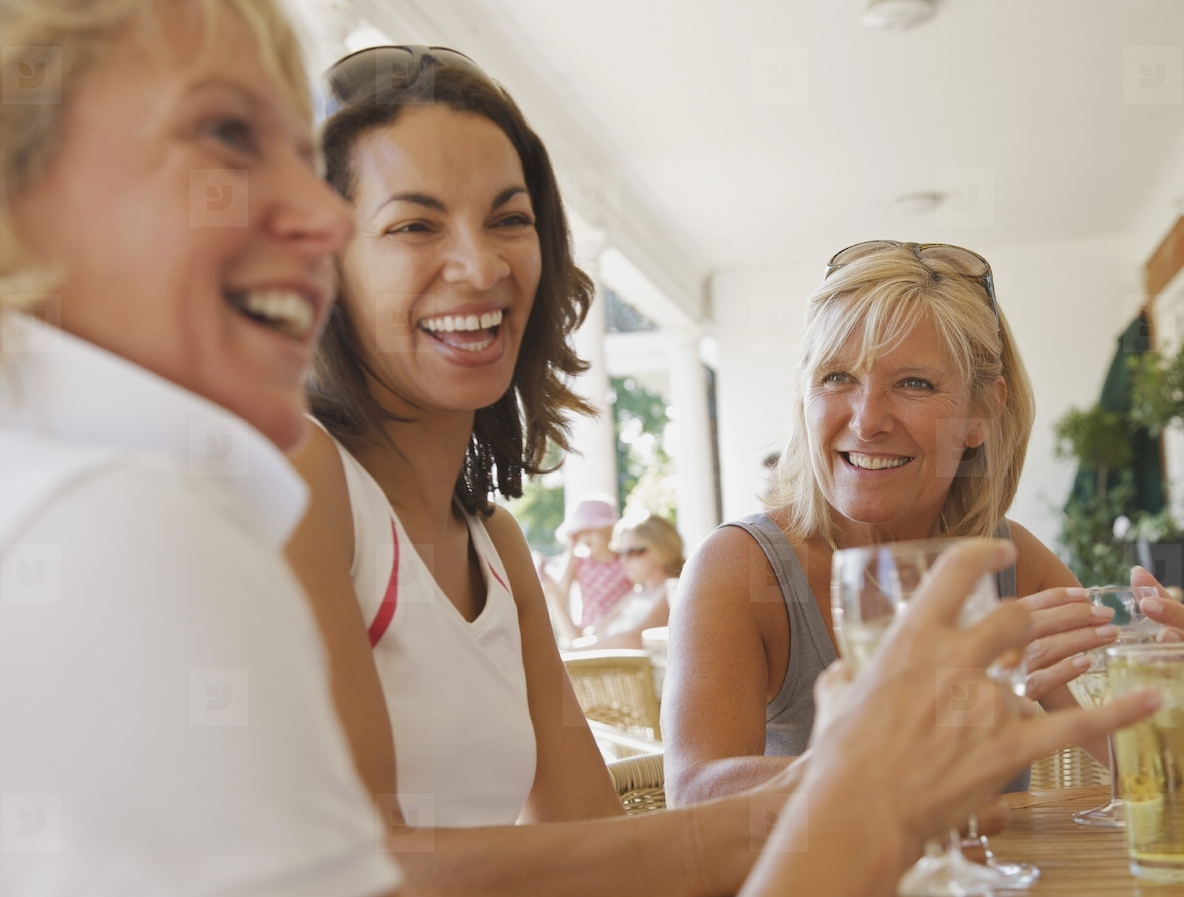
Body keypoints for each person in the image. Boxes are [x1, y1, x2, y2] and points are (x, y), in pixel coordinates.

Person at [0, 0, 403, 893]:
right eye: (225, 133)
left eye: (308, 157)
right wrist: (794, 826)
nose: (328, 218)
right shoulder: (121, 521)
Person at [663, 241, 1122, 805]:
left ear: (982, 412)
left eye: (915, 384)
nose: (868, 419)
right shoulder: (739, 569)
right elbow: (694, 799)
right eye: (836, 377)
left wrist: (1170, 685)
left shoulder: (1011, 563)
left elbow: (1143, 761)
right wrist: (876, 758)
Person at [568, 512, 683, 651]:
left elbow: (634, 640)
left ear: (662, 548)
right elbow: (592, 636)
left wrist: (568, 652)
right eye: (621, 553)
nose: (623, 560)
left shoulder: (671, 590)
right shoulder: (637, 593)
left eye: (632, 552)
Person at [540, 494, 635, 643]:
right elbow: (561, 595)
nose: (585, 537)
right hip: (589, 631)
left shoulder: (624, 560)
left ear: (608, 529)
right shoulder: (580, 562)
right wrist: (571, 548)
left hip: (618, 631)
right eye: (580, 532)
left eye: (591, 530)